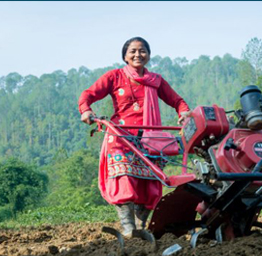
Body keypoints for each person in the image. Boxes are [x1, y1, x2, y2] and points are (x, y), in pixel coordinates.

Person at [78, 37, 191, 237]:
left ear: (148, 55)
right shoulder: (114, 77)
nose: (138, 55)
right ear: (125, 56)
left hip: (150, 139)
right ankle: (129, 229)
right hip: (120, 137)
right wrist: (86, 111)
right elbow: (88, 95)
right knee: (124, 179)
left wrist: (184, 114)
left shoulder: (156, 81)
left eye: (142, 51)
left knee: (150, 184)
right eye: (133, 51)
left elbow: (177, 101)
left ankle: (141, 229)